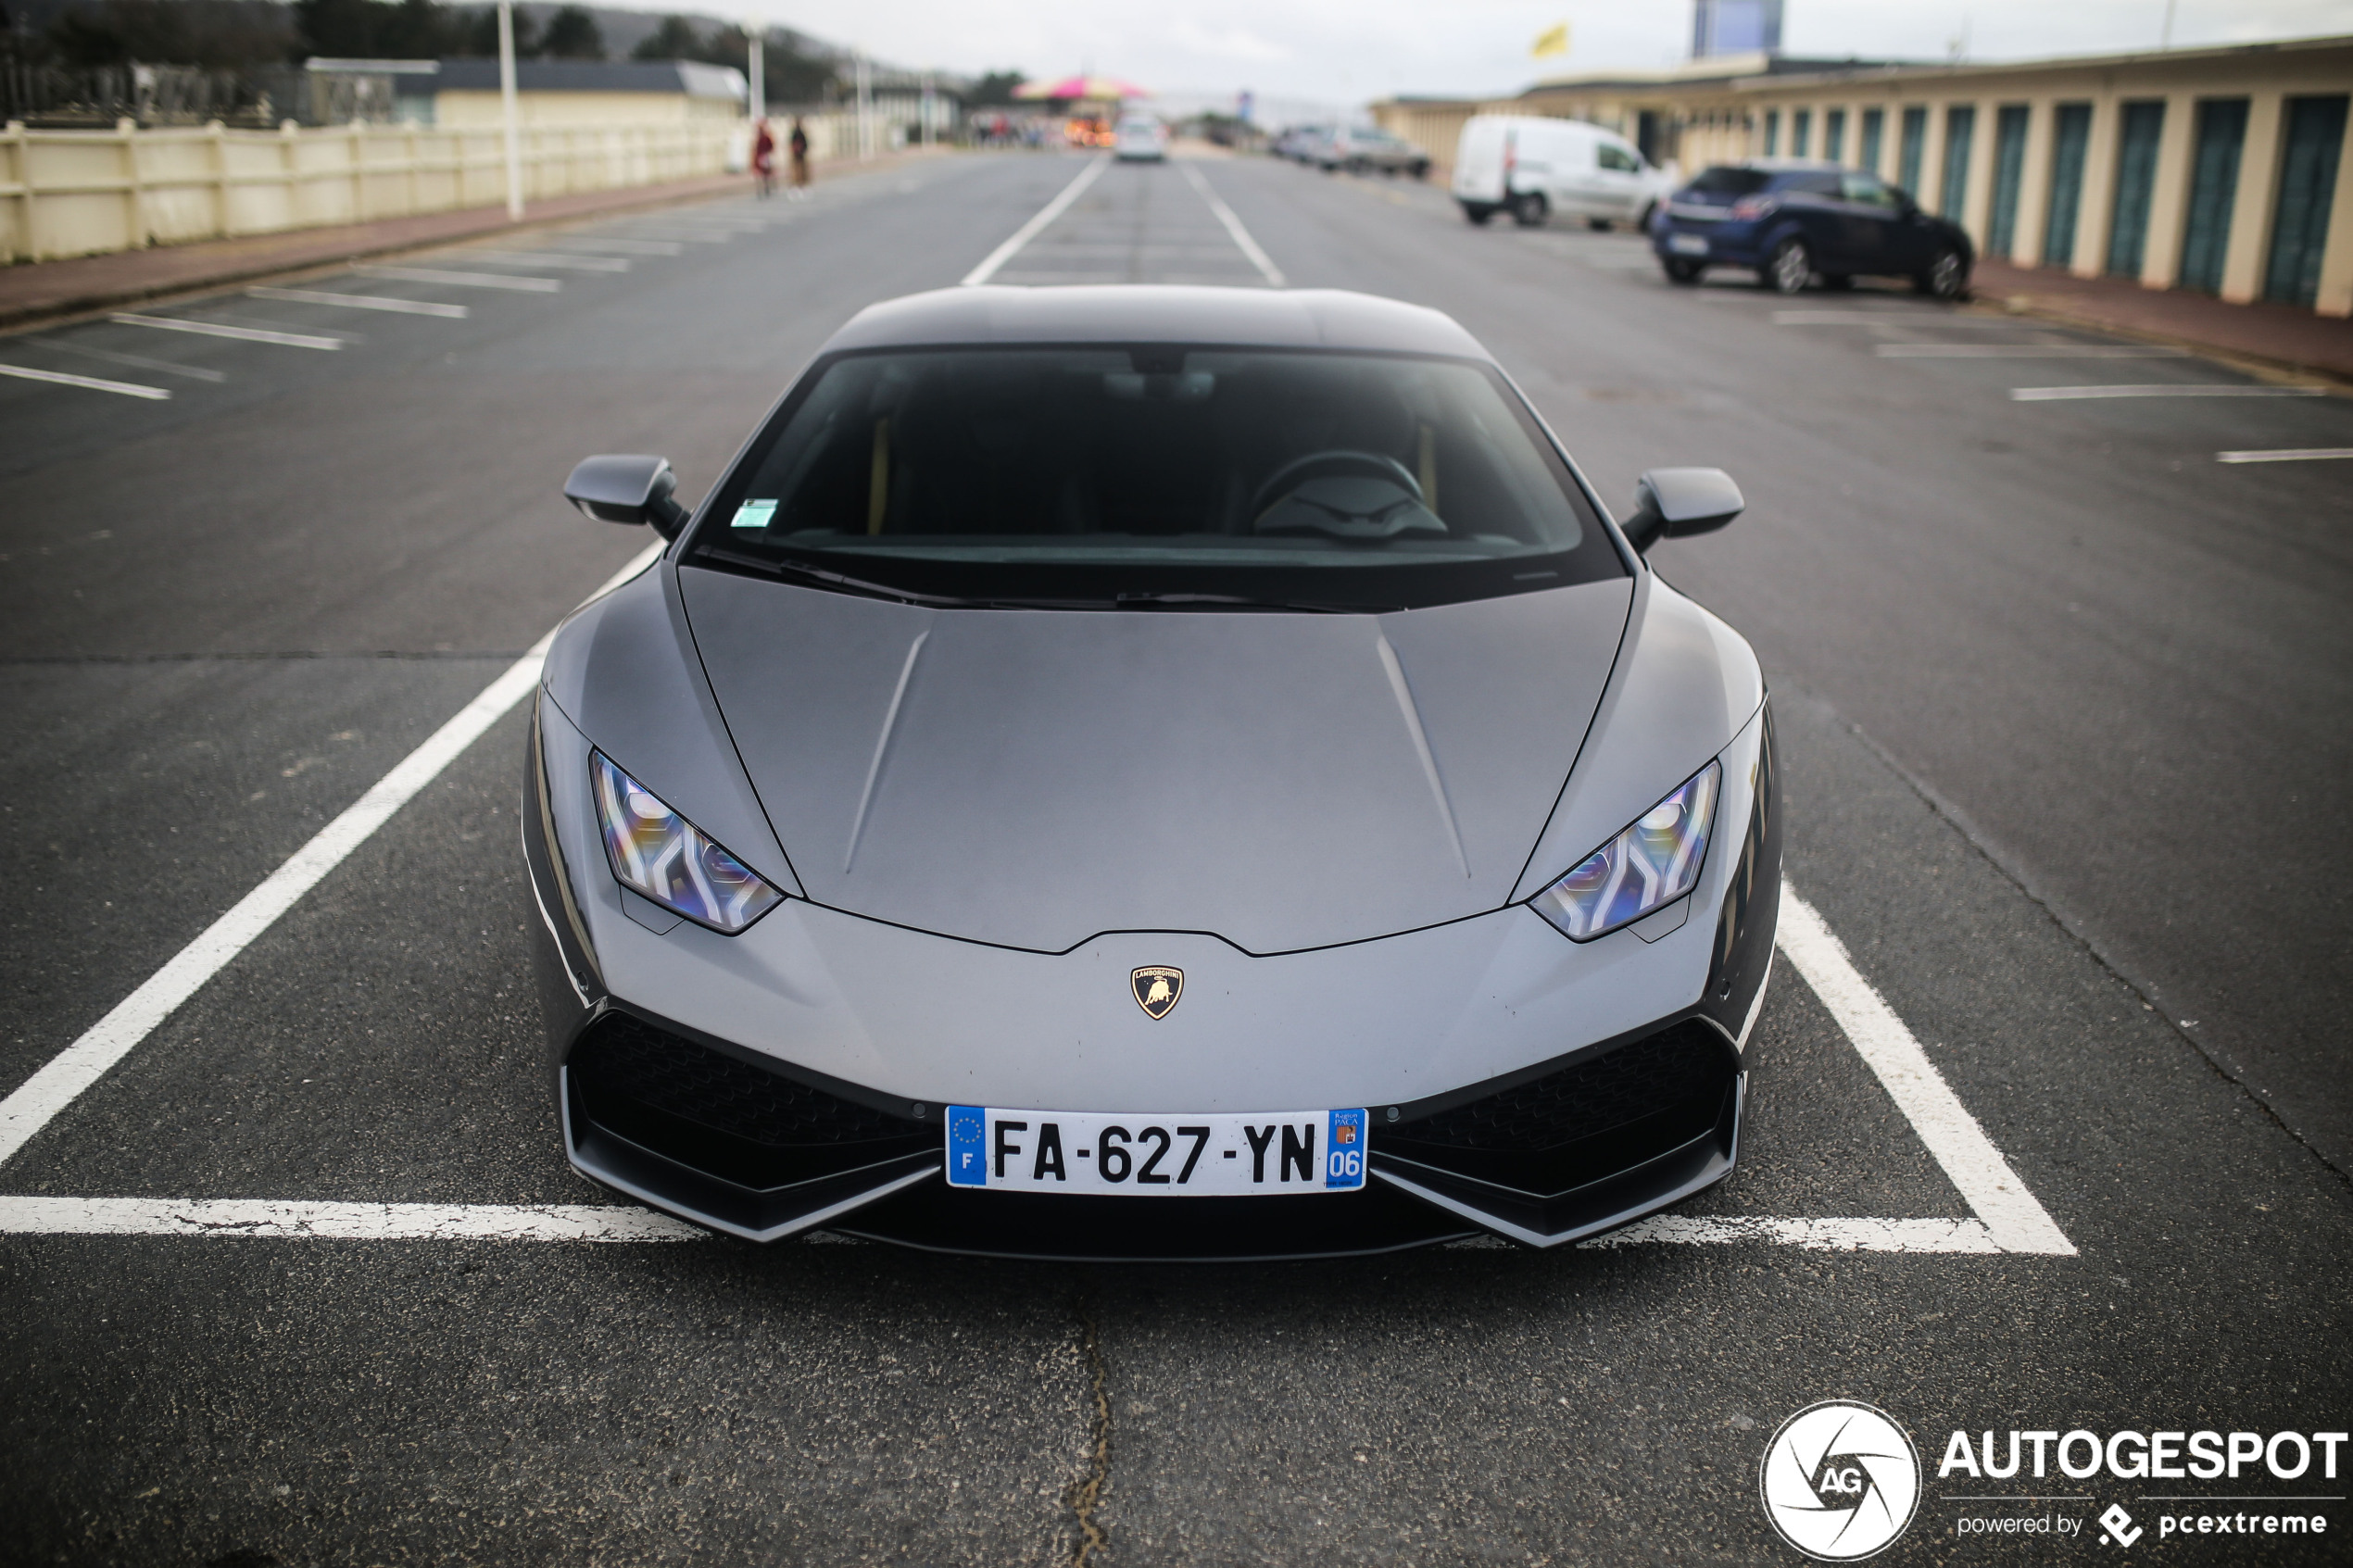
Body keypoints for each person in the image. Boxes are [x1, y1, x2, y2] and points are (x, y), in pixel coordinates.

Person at [751, 119, 776, 199]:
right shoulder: (757, 137)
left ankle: (766, 187)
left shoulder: (766, 136)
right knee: (759, 174)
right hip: (759, 157)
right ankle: (760, 189)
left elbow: (771, 146)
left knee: (765, 174)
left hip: (764, 156)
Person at [788, 117, 811, 200]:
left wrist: (802, 149)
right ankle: (796, 187)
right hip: (796, 155)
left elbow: (805, 143)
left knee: (802, 172)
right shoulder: (795, 133)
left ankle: (802, 187)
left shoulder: (800, 133)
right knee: (795, 172)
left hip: (801, 155)